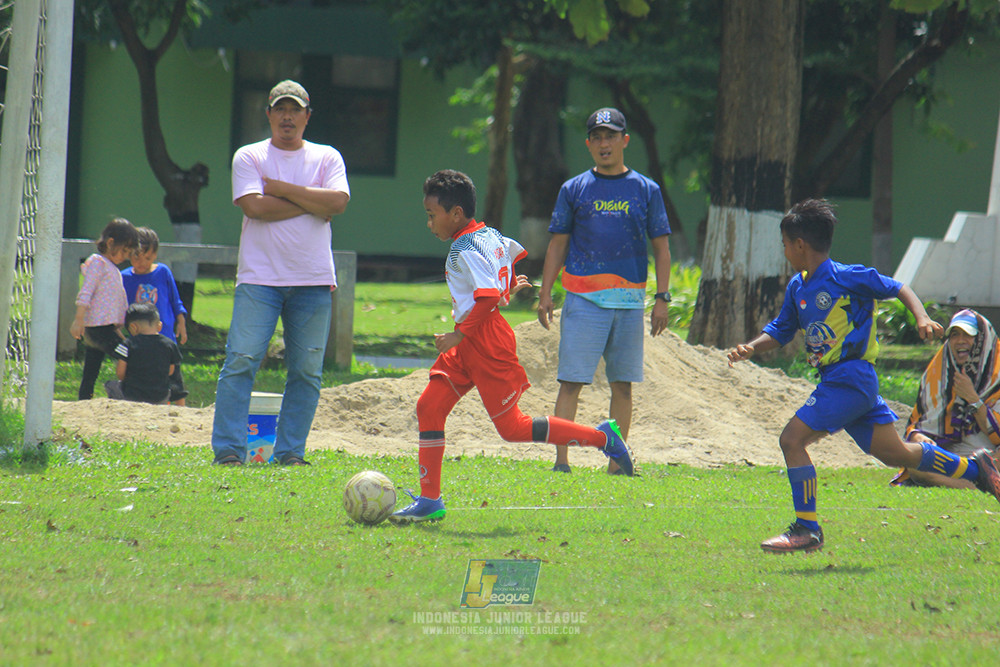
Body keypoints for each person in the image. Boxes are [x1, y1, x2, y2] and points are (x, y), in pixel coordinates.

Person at [726, 198, 1000, 554]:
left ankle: (807, 530)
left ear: (799, 245)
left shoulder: (846, 276)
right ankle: (975, 469)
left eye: (784, 245)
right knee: (895, 453)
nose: (784, 251)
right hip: (843, 382)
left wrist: (919, 317)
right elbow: (781, 329)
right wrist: (751, 347)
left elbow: (897, 287)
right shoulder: (798, 286)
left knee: (792, 440)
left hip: (850, 377)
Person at [389, 170, 635, 525]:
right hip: (473, 337)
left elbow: (487, 295)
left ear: (455, 214)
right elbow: (501, 269)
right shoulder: (486, 234)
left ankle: (602, 437)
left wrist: (460, 334)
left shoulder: (461, 249)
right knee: (429, 407)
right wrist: (506, 291)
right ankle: (430, 500)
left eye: (432, 215)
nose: (429, 224)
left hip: (484, 341)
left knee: (513, 429)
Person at [210, 79, 350, 466]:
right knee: (240, 362)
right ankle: (228, 452)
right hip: (259, 279)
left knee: (306, 372)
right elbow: (254, 208)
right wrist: (311, 200)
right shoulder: (250, 157)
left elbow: (338, 202)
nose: (287, 116)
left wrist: (282, 190)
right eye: (280, 109)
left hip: (313, 282)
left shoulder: (327, 157)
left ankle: (290, 453)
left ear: (307, 116)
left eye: (295, 109)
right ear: (268, 114)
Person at [536, 107, 672, 474]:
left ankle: (616, 463)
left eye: (611, 136)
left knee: (623, 385)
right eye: (596, 137)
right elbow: (557, 244)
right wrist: (545, 293)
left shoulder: (647, 190)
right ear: (588, 144)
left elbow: (661, 247)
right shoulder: (574, 188)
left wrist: (662, 298)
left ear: (625, 141)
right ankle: (561, 462)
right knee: (571, 383)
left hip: (629, 303)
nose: (604, 143)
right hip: (583, 300)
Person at [892, 309, 1000, 488]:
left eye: (968, 335)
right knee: (915, 462)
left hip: (992, 455)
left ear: (983, 339)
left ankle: (983, 480)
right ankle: (984, 484)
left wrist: (973, 399)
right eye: (955, 335)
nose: (960, 341)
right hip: (953, 458)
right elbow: (917, 425)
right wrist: (919, 437)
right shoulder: (938, 373)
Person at [70, 217, 139, 400]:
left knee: (91, 368)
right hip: (98, 329)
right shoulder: (99, 264)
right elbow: (86, 291)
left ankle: (84, 399)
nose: (126, 256)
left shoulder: (111, 268)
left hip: (105, 328)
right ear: (110, 243)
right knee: (129, 355)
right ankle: (130, 393)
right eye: (124, 250)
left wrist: (118, 328)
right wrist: (79, 319)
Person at [122, 227, 189, 405]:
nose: (142, 262)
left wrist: (181, 323)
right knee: (145, 372)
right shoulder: (124, 278)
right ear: (129, 253)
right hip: (140, 340)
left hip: (165, 334)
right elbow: (121, 308)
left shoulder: (163, 272)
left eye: (148, 257)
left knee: (173, 373)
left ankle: (181, 410)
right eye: (136, 256)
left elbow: (175, 300)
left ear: (155, 255)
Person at [104, 302, 182, 405]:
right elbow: (170, 371)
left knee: (110, 385)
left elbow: (120, 373)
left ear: (133, 327)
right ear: (159, 326)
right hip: (160, 397)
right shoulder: (170, 345)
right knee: (167, 390)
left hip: (132, 395)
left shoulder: (127, 344)